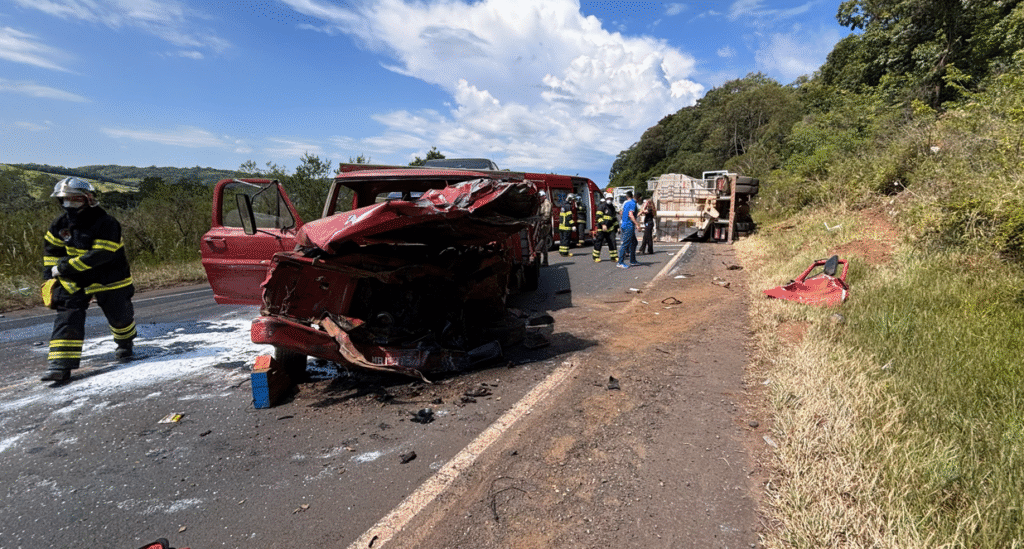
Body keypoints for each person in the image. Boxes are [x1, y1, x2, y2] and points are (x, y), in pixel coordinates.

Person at [41, 177, 137, 382]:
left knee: (120, 317)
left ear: (89, 198)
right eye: (65, 199)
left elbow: (101, 254)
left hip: (109, 279)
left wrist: (64, 268)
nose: (69, 203)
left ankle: (125, 343)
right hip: (74, 281)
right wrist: (50, 278)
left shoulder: (107, 223)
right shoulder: (59, 225)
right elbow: (52, 253)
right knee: (67, 318)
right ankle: (60, 365)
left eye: (75, 199)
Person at [592, 192, 619, 263]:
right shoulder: (602, 206)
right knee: (599, 242)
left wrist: (617, 227)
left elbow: (614, 219)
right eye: (608, 198)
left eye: (611, 199)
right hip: (602, 228)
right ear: (606, 199)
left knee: (612, 242)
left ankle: (614, 257)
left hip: (610, 228)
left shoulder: (612, 208)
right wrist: (603, 224)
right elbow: (598, 217)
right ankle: (596, 257)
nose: (609, 200)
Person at [616, 190, 639, 268]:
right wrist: (637, 224)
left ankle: (633, 261)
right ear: (639, 198)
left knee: (634, 242)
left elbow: (622, 213)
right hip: (628, 226)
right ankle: (620, 262)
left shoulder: (626, 203)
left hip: (625, 224)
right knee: (625, 244)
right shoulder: (633, 203)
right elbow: (630, 215)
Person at [537, 190, 553, 266]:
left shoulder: (547, 203)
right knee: (543, 244)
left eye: (540, 197)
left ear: (543, 196)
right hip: (542, 225)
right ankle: (544, 261)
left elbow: (546, 216)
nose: (539, 198)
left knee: (542, 241)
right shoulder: (542, 203)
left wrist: (539, 220)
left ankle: (543, 260)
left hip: (545, 226)